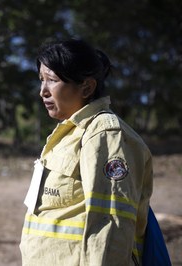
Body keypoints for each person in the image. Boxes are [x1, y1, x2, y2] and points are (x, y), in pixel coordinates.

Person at [20, 39, 153, 265]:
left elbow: (110, 224)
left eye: (52, 80)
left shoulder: (106, 135)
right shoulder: (69, 134)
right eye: (41, 80)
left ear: (87, 87)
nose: (43, 91)